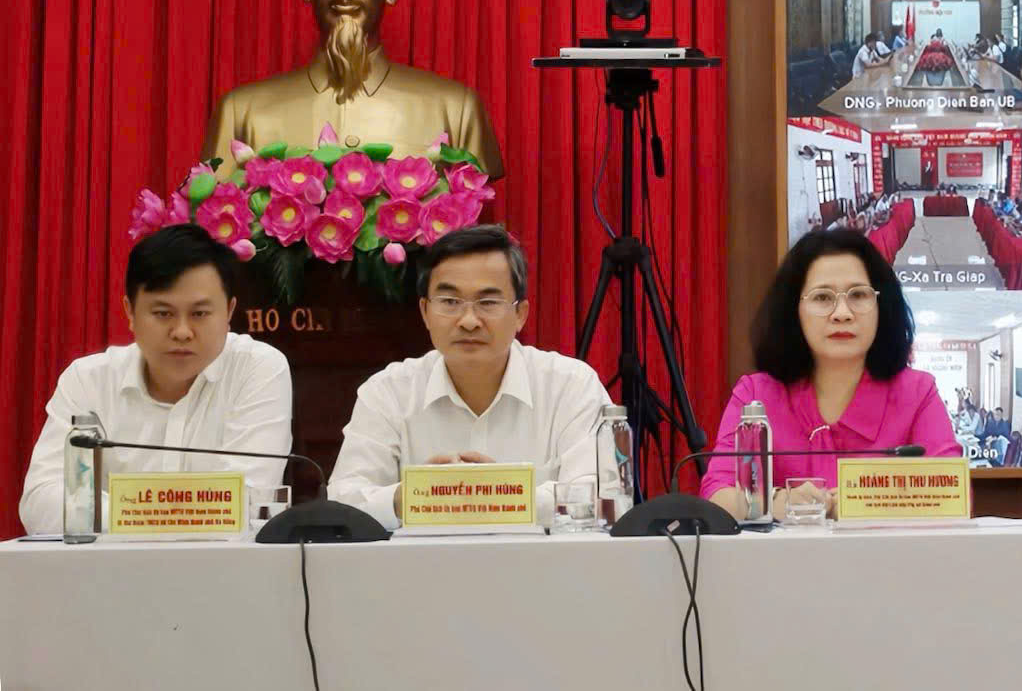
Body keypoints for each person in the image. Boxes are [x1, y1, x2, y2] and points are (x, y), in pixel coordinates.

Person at [17, 225, 292, 535]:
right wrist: (158, 513)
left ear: (229, 312)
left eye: (200, 314)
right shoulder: (87, 381)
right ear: (130, 312)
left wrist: (125, 512)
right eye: (163, 313)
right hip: (111, 566)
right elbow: (42, 502)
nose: (182, 332)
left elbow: (248, 500)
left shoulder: (257, 369)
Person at [328, 226, 610, 528]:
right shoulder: (388, 392)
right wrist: (408, 497)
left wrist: (503, 494)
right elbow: (344, 502)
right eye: (450, 302)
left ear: (520, 314)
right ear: (425, 312)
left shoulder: (571, 386)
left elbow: (600, 500)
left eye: (488, 303)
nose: (469, 321)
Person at [700, 229, 960, 520]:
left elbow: (952, 494)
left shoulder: (917, 392)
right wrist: (778, 502)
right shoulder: (756, 394)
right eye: (823, 297)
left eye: (858, 295)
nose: (842, 313)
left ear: (881, 306)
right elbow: (716, 495)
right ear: (794, 309)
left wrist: (855, 502)